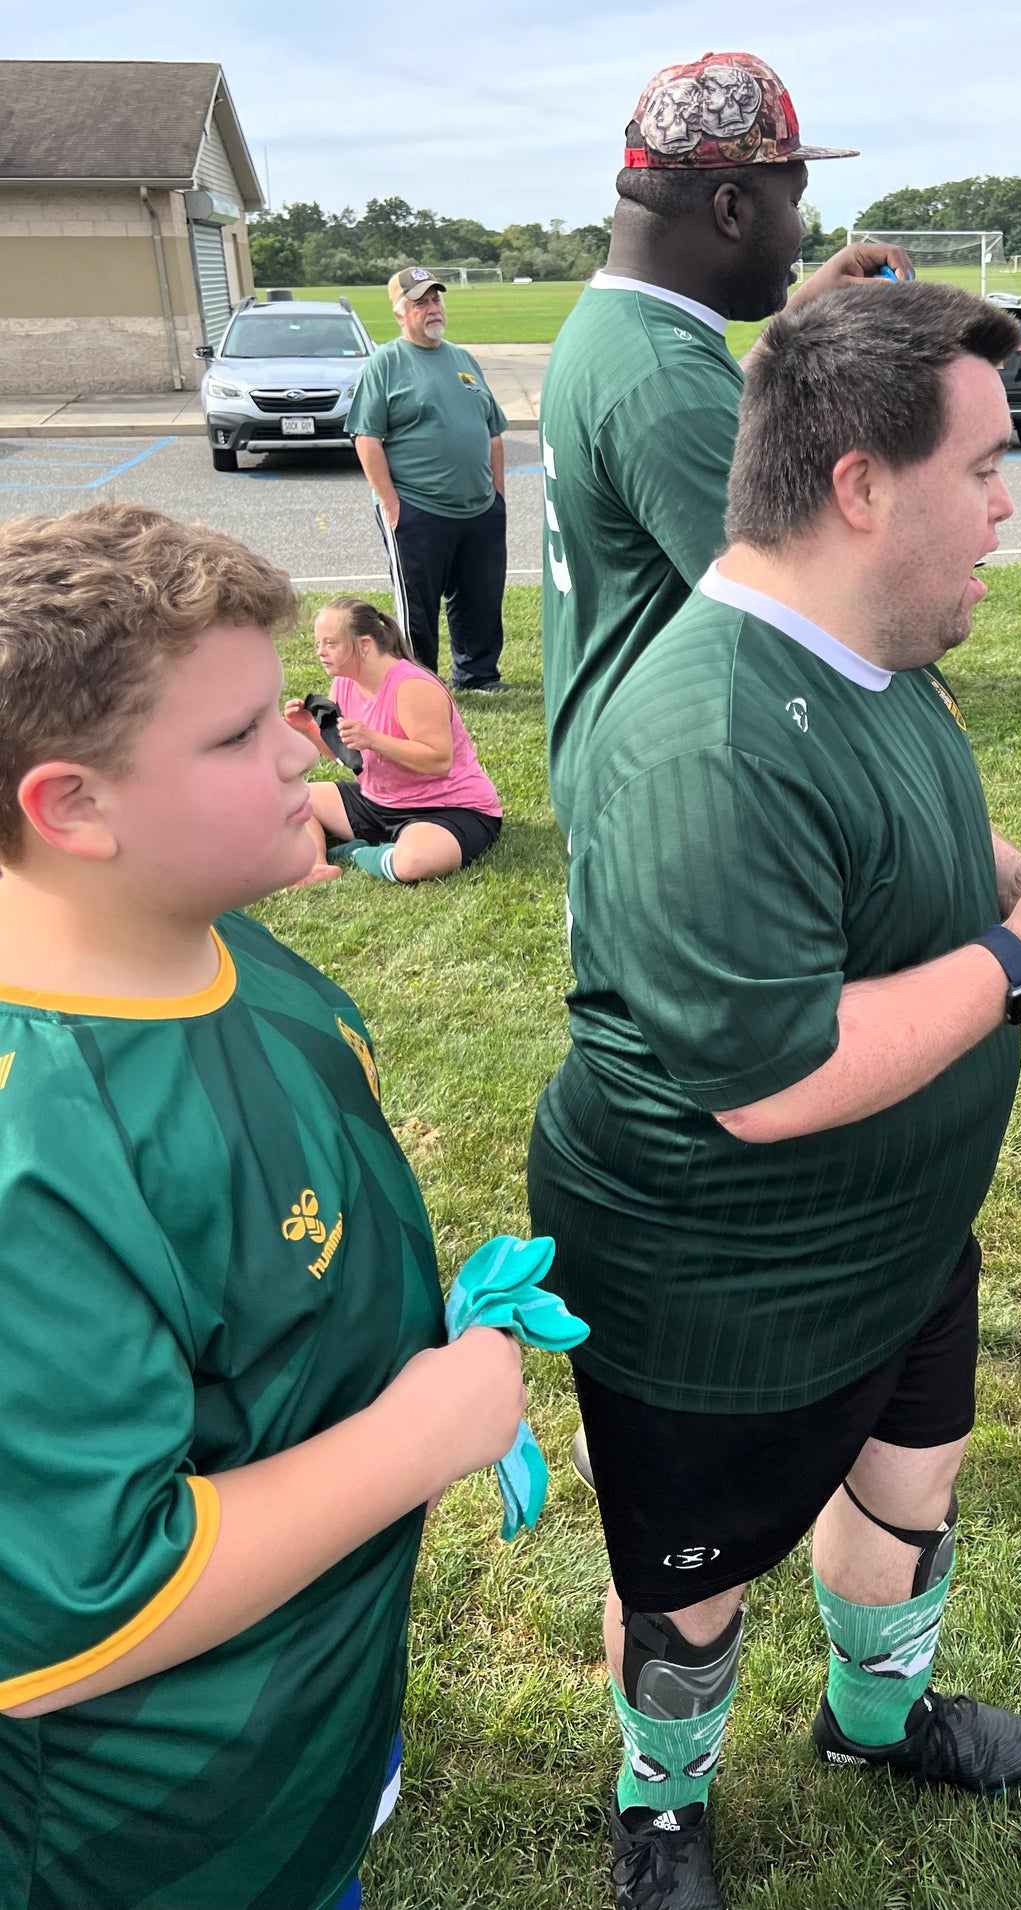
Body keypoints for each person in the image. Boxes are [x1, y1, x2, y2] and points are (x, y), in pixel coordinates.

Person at [528, 281, 1021, 1910]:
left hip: (897, 1236)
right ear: (861, 486)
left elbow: (891, 873)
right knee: (686, 1592)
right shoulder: (709, 726)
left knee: (913, 1485)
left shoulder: (877, 653)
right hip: (718, 1288)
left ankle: (872, 1722)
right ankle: (660, 1802)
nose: (1011, 500)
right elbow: (772, 1071)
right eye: (983, 464)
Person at [0, 502, 525, 1909]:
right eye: (238, 736)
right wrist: (425, 1430)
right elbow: (77, 1612)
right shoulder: (32, 1151)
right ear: (74, 806)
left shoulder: (226, 944)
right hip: (153, 1839)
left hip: (305, 1729)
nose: (307, 744)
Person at [537, 47, 913, 832]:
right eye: (794, 201)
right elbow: (808, 623)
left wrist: (796, 316)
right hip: (671, 790)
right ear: (732, 210)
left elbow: (699, 412)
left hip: (631, 749)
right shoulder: (661, 382)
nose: (801, 233)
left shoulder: (623, 328)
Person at [348, 267, 510, 693]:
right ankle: (419, 683)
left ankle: (478, 675)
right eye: (420, 303)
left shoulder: (462, 358)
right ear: (400, 314)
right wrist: (390, 503)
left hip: (479, 508)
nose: (432, 309)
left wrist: (497, 498)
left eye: (436, 300)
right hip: (418, 507)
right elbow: (367, 438)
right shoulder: (385, 364)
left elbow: (492, 432)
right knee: (418, 607)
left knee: (481, 596)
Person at [285, 595, 503, 885]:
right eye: (318, 644)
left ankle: (358, 853)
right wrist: (310, 730)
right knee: (293, 799)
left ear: (364, 644)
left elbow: (439, 760)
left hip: (449, 808)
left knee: (413, 862)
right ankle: (315, 866)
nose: (321, 652)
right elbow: (347, 754)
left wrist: (373, 739)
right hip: (379, 803)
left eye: (331, 643)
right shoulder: (344, 682)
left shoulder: (412, 686)